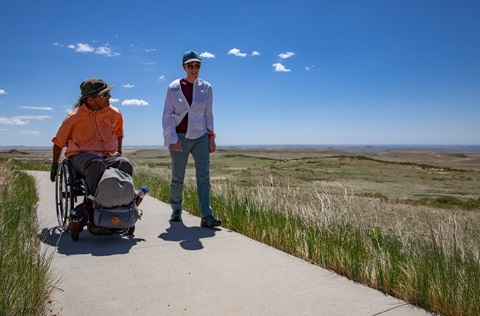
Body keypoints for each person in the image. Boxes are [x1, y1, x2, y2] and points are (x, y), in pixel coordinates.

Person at [50, 78, 133, 233]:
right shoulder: (74, 118)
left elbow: (118, 133)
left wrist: (118, 153)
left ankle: (124, 211)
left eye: (109, 93)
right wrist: (54, 164)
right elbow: (58, 142)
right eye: (105, 94)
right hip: (83, 156)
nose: (109, 97)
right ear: (90, 99)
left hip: (109, 155)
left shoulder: (114, 113)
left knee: (124, 164)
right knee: (96, 164)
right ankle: (95, 215)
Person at [162, 50, 221, 228]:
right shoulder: (174, 87)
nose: (194, 69)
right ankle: (176, 210)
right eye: (190, 66)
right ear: (184, 67)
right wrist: (172, 138)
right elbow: (167, 115)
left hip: (201, 136)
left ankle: (206, 215)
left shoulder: (206, 87)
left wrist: (211, 136)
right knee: (177, 177)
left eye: (197, 66)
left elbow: (208, 114)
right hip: (179, 137)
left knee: (204, 177)